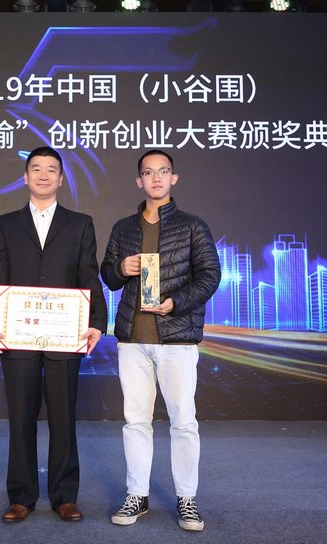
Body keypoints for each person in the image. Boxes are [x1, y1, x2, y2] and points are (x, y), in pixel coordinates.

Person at [0, 146, 108, 523]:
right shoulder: (5, 224)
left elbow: (88, 274)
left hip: (64, 335)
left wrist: (97, 321)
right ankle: (21, 496)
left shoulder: (80, 223)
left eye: (51, 169)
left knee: (63, 418)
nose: (43, 175)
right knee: (20, 417)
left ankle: (64, 496)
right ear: (25, 177)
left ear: (61, 179)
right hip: (17, 333)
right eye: (36, 168)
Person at [100, 150, 221, 532]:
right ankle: (137, 494)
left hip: (177, 339)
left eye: (163, 171)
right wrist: (121, 267)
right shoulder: (123, 228)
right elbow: (108, 277)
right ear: (139, 181)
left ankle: (187, 499)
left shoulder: (193, 226)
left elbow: (210, 275)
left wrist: (177, 302)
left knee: (183, 422)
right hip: (132, 340)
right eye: (148, 173)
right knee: (136, 421)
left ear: (174, 178)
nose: (156, 178)